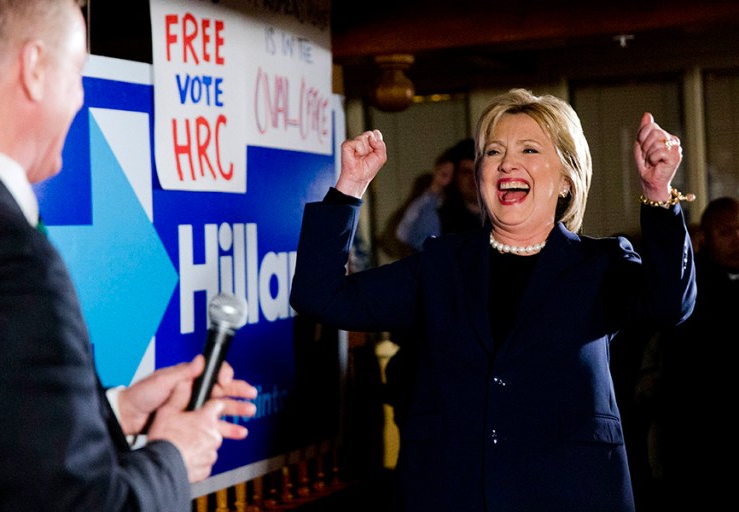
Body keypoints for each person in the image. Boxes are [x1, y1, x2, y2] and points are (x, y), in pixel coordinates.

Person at [289, 88, 696, 512]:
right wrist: (350, 186)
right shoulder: (441, 265)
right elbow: (320, 296)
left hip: (571, 494)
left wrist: (657, 191)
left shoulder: (600, 265)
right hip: (449, 495)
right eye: (493, 151)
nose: (507, 163)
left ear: (567, 178)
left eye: (529, 149)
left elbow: (671, 303)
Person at [0, 1, 257, 510]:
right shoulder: (9, 255)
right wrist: (174, 457)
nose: (81, 97)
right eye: (77, 71)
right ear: (34, 69)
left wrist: (118, 411)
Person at [640, 196, 739, 510]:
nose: (736, 240)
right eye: (726, 232)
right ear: (704, 237)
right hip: (698, 432)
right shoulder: (690, 288)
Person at [394, 147, 456, 253]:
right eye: (444, 175)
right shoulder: (423, 200)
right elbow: (402, 232)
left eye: (452, 177)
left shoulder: (454, 204)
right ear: (436, 170)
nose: (447, 181)